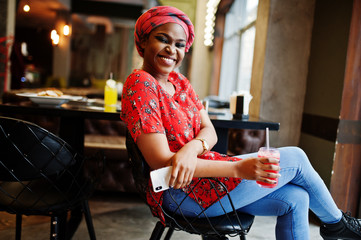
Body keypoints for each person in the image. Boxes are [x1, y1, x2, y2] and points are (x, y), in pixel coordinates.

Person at [121, 6, 361, 240]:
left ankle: (335, 225)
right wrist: (237, 169)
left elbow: (209, 130)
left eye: (179, 44)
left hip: (206, 180)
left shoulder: (180, 82)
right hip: (178, 191)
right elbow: (160, 160)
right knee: (296, 158)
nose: (171, 49)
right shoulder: (141, 83)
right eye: (162, 39)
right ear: (142, 42)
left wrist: (190, 149)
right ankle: (337, 224)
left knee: (297, 198)